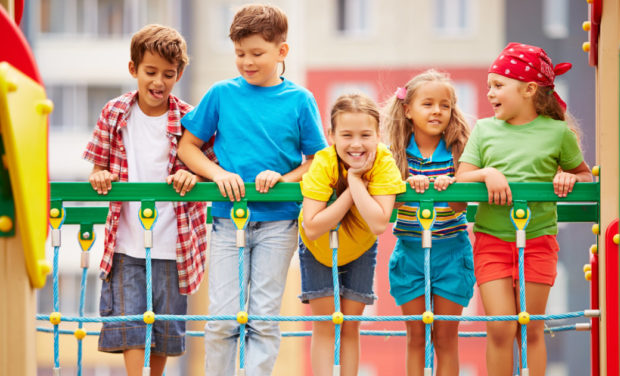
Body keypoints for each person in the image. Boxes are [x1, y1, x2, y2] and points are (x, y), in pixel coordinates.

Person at [177, 4, 327, 375]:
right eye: (240, 53)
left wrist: (283, 178)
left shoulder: (299, 100)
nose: (246, 61)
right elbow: (187, 146)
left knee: (263, 317)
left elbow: (317, 162)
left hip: (279, 224)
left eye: (257, 53)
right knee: (223, 318)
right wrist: (216, 173)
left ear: (282, 52)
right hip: (228, 222)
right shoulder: (221, 94)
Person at [82, 24, 215, 376]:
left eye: (168, 75)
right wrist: (101, 175)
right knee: (130, 326)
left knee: (166, 329)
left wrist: (195, 175)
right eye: (150, 72)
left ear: (179, 74)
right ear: (134, 69)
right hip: (126, 243)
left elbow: (209, 167)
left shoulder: (190, 118)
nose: (158, 82)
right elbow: (99, 166)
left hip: (175, 244)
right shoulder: (114, 113)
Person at [456, 43, 592, 375]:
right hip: (492, 242)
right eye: (488, 86)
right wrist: (488, 173)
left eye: (498, 85)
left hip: (538, 243)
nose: (490, 93)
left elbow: (584, 175)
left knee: (530, 326)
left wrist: (566, 178)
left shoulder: (557, 133)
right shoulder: (485, 130)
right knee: (501, 326)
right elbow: (461, 180)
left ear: (529, 89)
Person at [299, 93, 406, 376]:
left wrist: (356, 179)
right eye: (346, 135)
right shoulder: (324, 162)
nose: (356, 144)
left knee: (350, 325)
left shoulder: (383, 161)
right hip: (318, 248)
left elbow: (379, 223)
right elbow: (311, 225)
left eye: (365, 135)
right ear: (332, 135)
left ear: (378, 135)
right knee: (325, 323)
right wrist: (352, 187)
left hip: (360, 246)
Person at [382, 69, 475, 376]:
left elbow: (461, 205)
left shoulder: (458, 152)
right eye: (428, 104)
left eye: (445, 105)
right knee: (416, 337)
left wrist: (453, 185)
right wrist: (407, 185)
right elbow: (387, 201)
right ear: (407, 109)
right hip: (409, 253)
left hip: (452, 252)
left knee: (446, 337)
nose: (437, 111)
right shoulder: (394, 155)